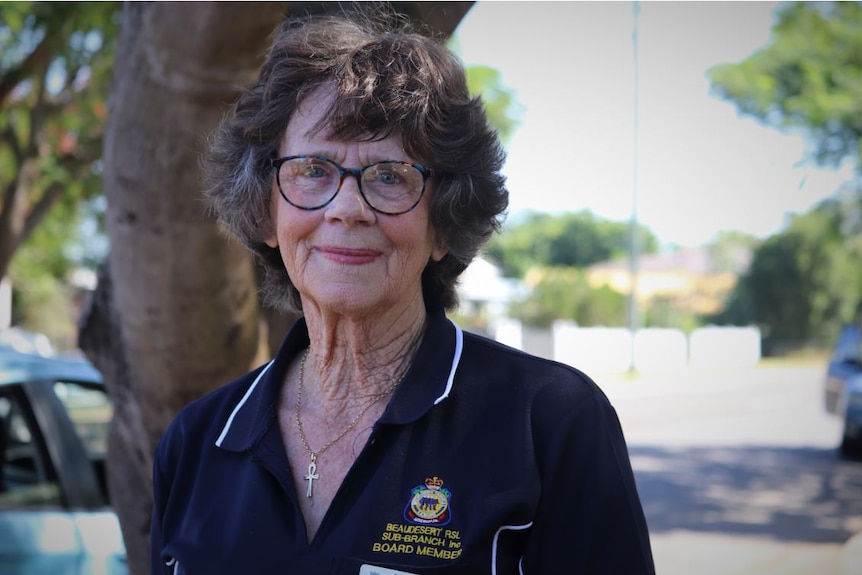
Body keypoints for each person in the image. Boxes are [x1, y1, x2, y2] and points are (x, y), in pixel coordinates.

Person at [150, 10, 655, 575]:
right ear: (267, 212)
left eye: (390, 176)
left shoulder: (550, 422)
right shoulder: (198, 440)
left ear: (442, 223)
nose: (347, 208)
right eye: (313, 169)